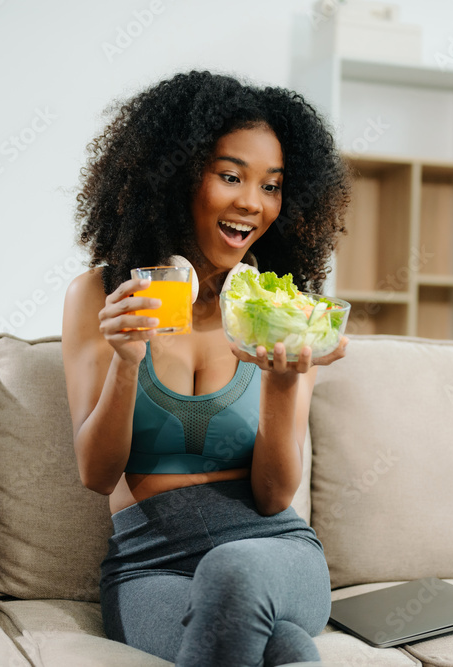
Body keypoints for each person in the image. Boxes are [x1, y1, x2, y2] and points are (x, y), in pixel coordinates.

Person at [61, 70, 351, 667]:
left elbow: (273, 497)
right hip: (148, 564)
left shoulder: (279, 310)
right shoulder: (103, 295)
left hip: (274, 553)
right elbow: (95, 473)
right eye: (230, 176)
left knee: (234, 568)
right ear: (176, 176)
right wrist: (126, 362)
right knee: (288, 652)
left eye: (271, 186)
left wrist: (283, 381)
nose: (252, 202)